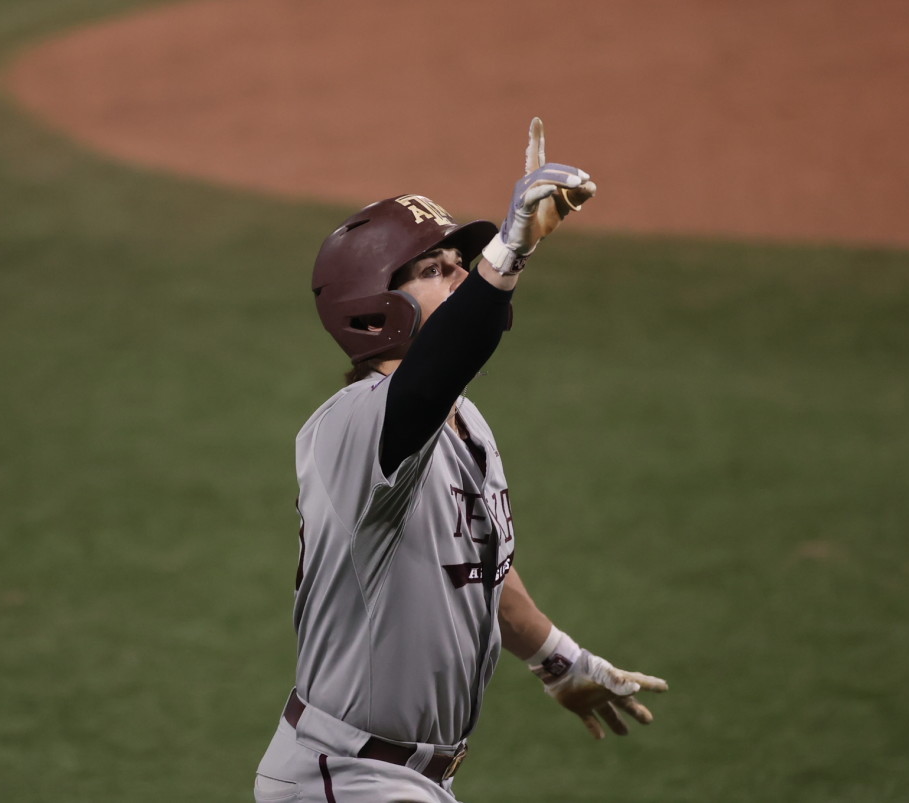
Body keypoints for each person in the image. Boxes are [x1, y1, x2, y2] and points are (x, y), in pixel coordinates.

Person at [253, 118, 668, 803]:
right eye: (434, 269)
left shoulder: (463, 423)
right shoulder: (354, 426)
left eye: (461, 264)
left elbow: (476, 564)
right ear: (372, 304)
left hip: (404, 782)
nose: (460, 275)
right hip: (346, 776)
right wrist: (510, 252)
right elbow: (430, 376)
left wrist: (558, 659)